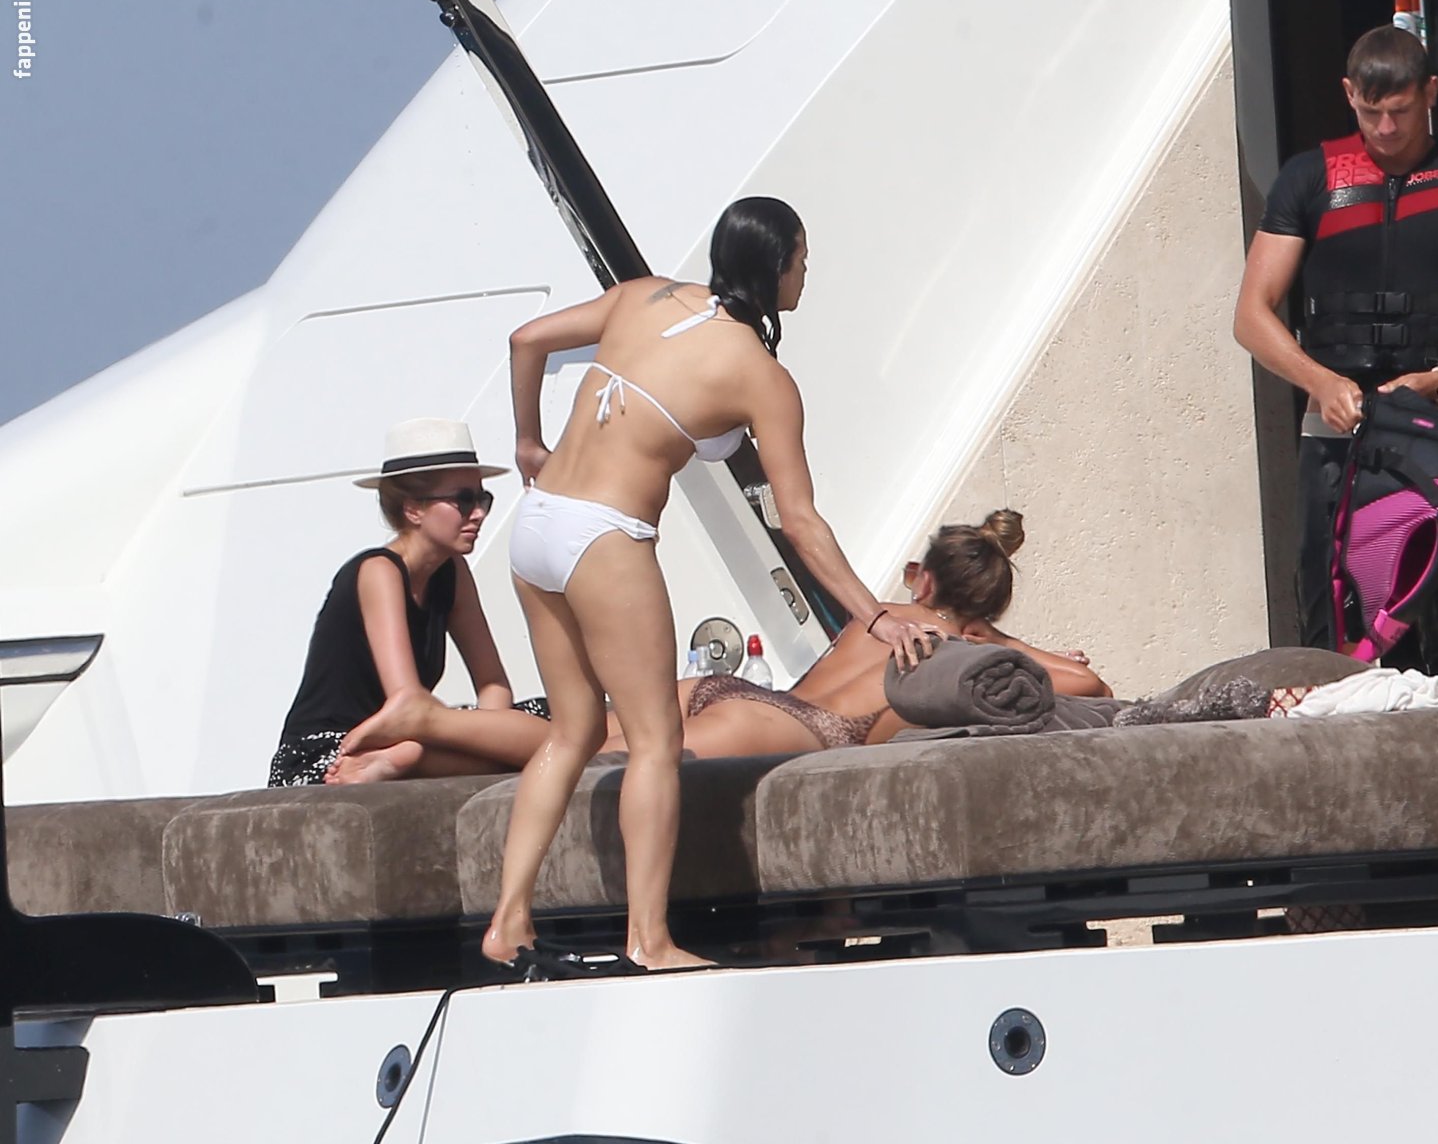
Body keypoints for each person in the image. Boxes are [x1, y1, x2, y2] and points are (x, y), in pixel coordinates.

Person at [484, 197, 940, 972]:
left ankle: (508, 920)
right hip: (604, 537)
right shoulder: (762, 377)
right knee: (656, 742)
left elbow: (525, 340)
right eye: (802, 258)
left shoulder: (643, 295)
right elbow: (799, 522)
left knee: (572, 731)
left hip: (537, 523)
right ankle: (649, 940)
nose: (806, 272)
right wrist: (876, 617)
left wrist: (528, 440)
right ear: (776, 267)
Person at [1232, 25, 1438, 681]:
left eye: (1399, 110)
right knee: (1333, 633)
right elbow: (1251, 316)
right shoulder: (1310, 180)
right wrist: (1320, 382)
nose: (1384, 128)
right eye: (1370, 111)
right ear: (1349, 93)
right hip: (1336, 436)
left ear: (1430, 92)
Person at [603, 509, 1110, 758]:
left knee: (574, 747)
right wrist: (1002, 641)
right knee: (619, 766)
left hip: (738, 691)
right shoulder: (961, 656)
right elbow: (1091, 685)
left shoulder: (882, 614)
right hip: (793, 728)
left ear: (922, 579)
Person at [267, 418, 528, 787]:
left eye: (482, 499)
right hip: (336, 752)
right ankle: (412, 759)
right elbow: (407, 701)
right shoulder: (379, 571)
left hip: (411, 736)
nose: (479, 513)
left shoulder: (452, 571)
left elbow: (492, 683)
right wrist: (498, 741)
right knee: (562, 737)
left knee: (561, 721)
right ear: (413, 509)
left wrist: (493, 739)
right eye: (463, 500)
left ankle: (417, 760)